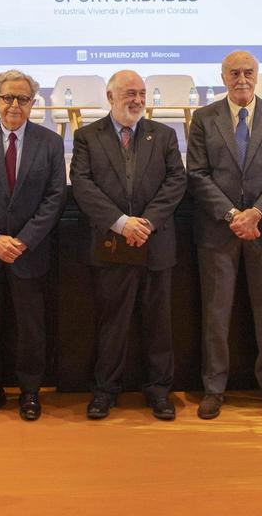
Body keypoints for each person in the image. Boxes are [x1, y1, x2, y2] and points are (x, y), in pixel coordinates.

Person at [70, 70, 187, 421]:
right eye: (128, 93)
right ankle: (105, 391)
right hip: (111, 244)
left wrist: (146, 222)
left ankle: (159, 392)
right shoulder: (87, 136)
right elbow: (83, 185)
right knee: (112, 324)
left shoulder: (164, 135)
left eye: (141, 93)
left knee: (158, 324)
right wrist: (122, 224)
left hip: (155, 242)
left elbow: (175, 181)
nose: (136, 100)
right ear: (109, 97)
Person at [187, 50, 262, 421]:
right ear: (222, 77)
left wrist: (256, 213)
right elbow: (198, 173)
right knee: (216, 314)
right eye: (234, 73)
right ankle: (214, 388)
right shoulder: (204, 118)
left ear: (258, 75)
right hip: (219, 230)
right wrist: (234, 214)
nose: (241, 79)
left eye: (248, 72)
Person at [0, 70, 66, 420]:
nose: (14, 105)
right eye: (8, 98)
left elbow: (54, 197)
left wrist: (22, 240)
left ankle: (30, 393)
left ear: (33, 103)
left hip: (28, 253)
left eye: (23, 99)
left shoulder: (50, 143)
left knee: (30, 328)